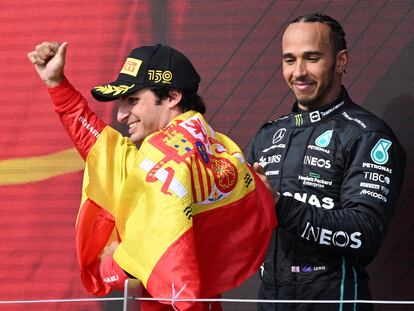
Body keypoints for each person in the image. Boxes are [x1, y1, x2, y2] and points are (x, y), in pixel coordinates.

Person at [28, 42, 276, 311]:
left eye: (132, 100)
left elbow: (144, 259)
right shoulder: (217, 149)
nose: (121, 115)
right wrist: (57, 84)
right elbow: (104, 150)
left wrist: (111, 263)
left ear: (171, 97)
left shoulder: (166, 154)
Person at [248, 13, 406, 311]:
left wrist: (280, 205)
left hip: (336, 302)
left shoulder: (367, 135)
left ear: (341, 61)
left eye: (312, 58)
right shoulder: (267, 136)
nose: (299, 72)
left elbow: (365, 233)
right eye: (289, 60)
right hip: (271, 301)